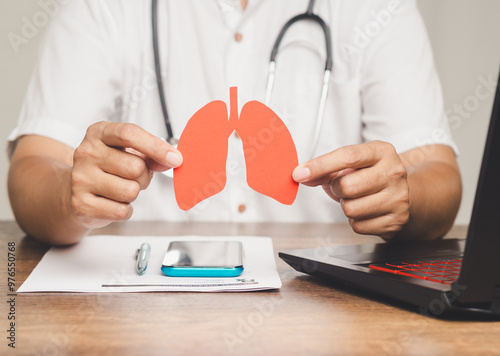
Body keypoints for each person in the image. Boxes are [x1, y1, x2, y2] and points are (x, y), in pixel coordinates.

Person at [7, 0, 461, 245]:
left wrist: (404, 197)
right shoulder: (102, 7)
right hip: (146, 312)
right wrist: (71, 197)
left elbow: (437, 175)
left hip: (323, 312)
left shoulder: (377, 9)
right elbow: (34, 168)